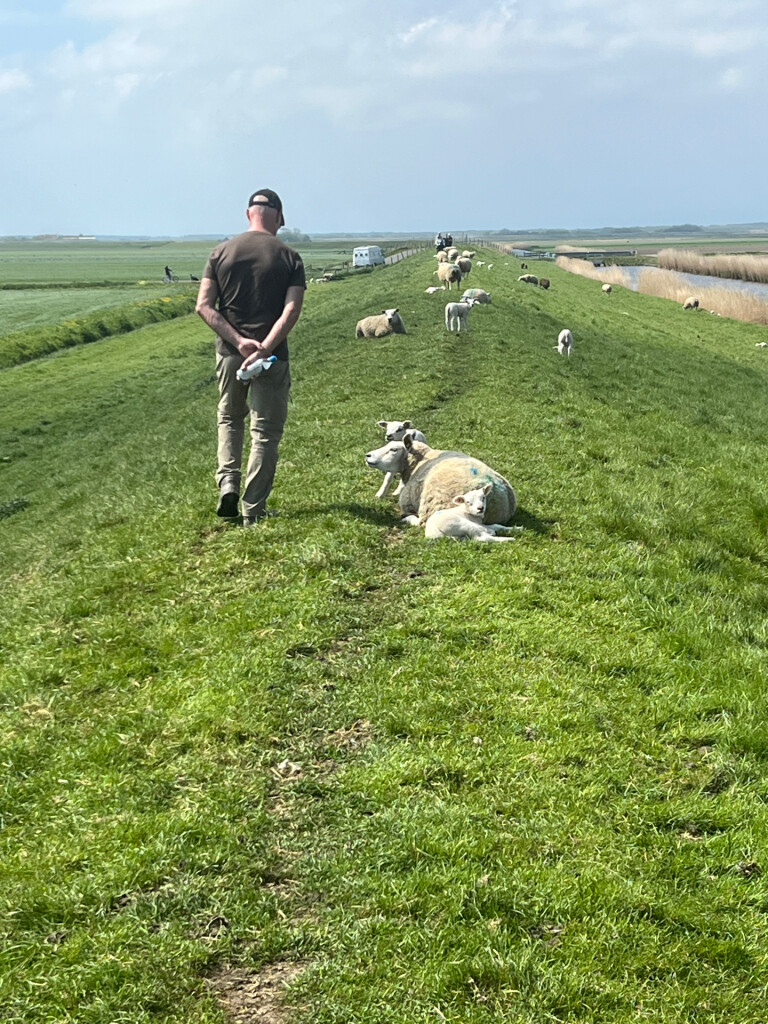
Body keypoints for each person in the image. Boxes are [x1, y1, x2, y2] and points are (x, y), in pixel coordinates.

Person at [196, 188, 306, 526]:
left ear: (248, 214)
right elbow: (291, 310)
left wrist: (240, 342)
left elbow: (203, 306)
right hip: (273, 359)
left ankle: (228, 482)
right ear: (279, 216)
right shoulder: (290, 257)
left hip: (230, 355)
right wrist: (264, 347)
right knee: (265, 432)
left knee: (230, 418)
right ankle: (252, 509)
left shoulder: (220, 252)